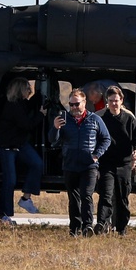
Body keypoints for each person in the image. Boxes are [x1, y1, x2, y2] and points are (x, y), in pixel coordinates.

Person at [49, 88, 110, 236]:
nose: (74, 108)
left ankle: (87, 226)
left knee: (86, 195)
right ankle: (74, 228)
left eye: (77, 104)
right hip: (70, 164)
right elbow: (52, 141)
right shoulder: (64, 120)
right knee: (73, 198)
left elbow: (106, 139)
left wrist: (97, 154)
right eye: (71, 105)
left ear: (84, 103)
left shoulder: (95, 119)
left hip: (89, 165)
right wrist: (55, 128)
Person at [0, 77, 46, 222]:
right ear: (20, 90)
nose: (29, 91)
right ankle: (4, 214)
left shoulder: (21, 104)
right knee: (10, 180)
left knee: (37, 164)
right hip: (7, 147)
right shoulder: (12, 106)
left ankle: (25, 198)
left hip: (19, 143)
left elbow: (31, 103)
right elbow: (26, 124)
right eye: (27, 88)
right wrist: (41, 115)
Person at [96, 85, 136, 236]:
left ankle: (121, 229)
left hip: (124, 164)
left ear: (121, 100)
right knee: (106, 195)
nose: (114, 104)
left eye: (116, 100)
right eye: (111, 101)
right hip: (106, 163)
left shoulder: (129, 118)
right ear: (107, 102)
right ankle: (102, 225)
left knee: (122, 197)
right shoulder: (101, 118)